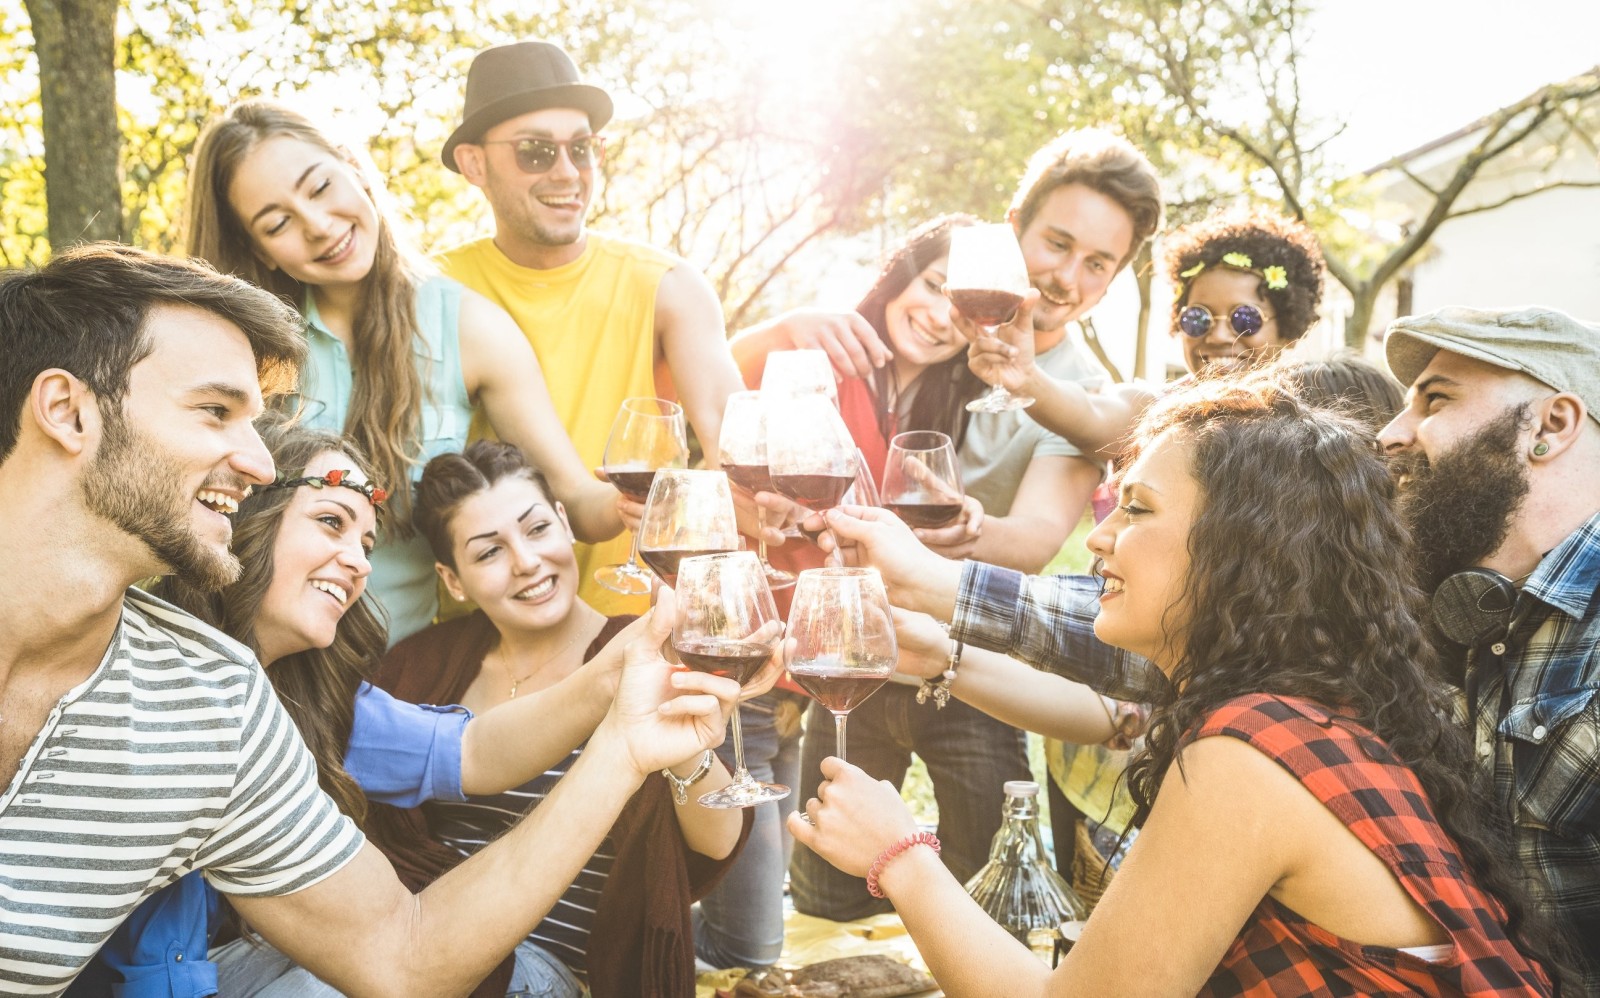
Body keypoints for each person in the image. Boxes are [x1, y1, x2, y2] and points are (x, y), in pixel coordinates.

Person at [0, 244, 753, 997]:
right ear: (68, 412)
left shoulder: (215, 702)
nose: (258, 463)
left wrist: (623, 738)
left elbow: (401, 950)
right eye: (214, 411)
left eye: (365, 539)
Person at [796, 376, 1559, 995]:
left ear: (1243, 551)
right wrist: (941, 650)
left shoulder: (1252, 753)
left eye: (1136, 509)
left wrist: (899, 854)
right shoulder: (1308, 713)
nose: (1096, 537)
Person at [77, 417, 723, 998]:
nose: (356, 561)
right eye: (332, 522)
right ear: (250, 516)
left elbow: (471, 751)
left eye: (367, 541)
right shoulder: (142, 660)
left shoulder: (324, 699)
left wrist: (620, 668)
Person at [187, 98, 621, 643]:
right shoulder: (235, 347)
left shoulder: (470, 329)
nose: (319, 226)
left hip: (394, 671)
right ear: (260, 250)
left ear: (354, 169)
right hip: (250, 659)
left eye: (321, 188)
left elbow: (576, 501)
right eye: (278, 224)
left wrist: (641, 497)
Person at [371, 441, 749, 997]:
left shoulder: (643, 649)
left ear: (566, 524)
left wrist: (685, 746)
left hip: (556, 971)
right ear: (452, 580)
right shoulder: (418, 665)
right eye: (488, 552)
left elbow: (717, 844)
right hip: (426, 936)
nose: (526, 561)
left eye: (537, 529)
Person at [438, 40, 747, 614]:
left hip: (629, 625)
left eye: (582, 149)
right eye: (535, 151)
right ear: (473, 163)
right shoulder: (432, 291)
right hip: (479, 635)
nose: (567, 172)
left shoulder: (667, 284)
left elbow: (734, 438)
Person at [1379, 306, 1600, 988]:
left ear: (1551, 425)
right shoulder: (1461, 604)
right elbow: (1235, 631)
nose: (1389, 434)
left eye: (1434, 398)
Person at [968, 205, 1328, 457]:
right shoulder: (1158, 409)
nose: (1218, 337)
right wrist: (1026, 379)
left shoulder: (1316, 433)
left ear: (1288, 330)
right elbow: (1093, 415)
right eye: (1198, 319)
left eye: (1244, 319)